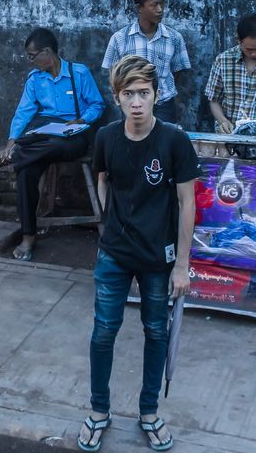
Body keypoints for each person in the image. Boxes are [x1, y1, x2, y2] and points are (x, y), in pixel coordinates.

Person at [77, 55, 197, 452]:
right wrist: (109, 227)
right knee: (103, 332)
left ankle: (149, 412)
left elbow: (187, 202)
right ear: (117, 97)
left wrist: (182, 264)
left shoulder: (174, 141)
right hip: (114, 254)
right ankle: (98, 411)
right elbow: (103, 180)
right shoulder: (107, 137)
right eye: (128, 94)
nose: (137, 102)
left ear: (156, 95)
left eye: (144, 93)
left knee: (155, 331)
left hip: (158, 260)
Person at [0, 28, 104, 262]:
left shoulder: (78, 73)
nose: (30, 61)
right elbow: (23, 113)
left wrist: (82, 119)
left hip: (74, 134)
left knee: (54, 144)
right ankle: (28, 235)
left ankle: (2, 160)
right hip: (44, 133)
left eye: (33, 55)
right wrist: (12, 141)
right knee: (26, 171)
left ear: (47, 52)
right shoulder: (35, 79)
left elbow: (97, 105)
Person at [102, 0, 190, 125]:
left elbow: (179, 73)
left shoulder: (174, 38)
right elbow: (113, 74)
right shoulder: (120, 39)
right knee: (134, 143)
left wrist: (175, 100)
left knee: (164, 145)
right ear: (139, 8)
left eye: (162, 3)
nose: (160, 9)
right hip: (133, 104)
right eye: (154, 4)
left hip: (164, 105)